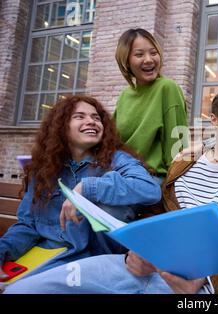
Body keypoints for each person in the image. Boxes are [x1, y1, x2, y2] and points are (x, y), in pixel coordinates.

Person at [4, 85, 218, 294]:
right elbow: (155, 213)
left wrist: (208, 279)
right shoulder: (183, 162)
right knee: (20, 289)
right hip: (142, 263)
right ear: (213, 120)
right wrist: (142, 249)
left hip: (198, 275)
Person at [0, 95, 161, 289]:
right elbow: (27, 225)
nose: (91, 121)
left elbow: (149, 189)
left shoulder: (117, 160)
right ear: (61, 126)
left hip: (100, 261)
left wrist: (88, 188)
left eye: (96, 117)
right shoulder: (43, 169)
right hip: (49, 256)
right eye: (80, 116)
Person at [114, 28, 188, 179]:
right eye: (139, 54)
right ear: (126, 61)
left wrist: (172, 187)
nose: (148, 59)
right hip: (121, 175)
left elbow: (177, 146)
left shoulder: (167, 88)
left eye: (153, 53)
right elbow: (113, 140)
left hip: (151, 179)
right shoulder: (124, 96)